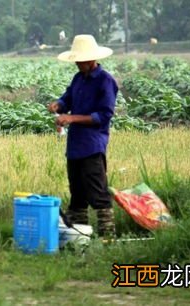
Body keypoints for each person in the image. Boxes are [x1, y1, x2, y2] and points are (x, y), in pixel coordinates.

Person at [48, 34, 118, 238]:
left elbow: (103, 115)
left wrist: (71, 118)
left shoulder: (106, 81)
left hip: (92, 145)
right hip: (75, 145)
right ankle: (79, 237)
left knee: (98, 194)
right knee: (77, 194)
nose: (78, 64)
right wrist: (58, 105)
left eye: (81, 60)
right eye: (77, 60)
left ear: (92, 59)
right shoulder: (79, 78)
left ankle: (107, 238)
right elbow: (67, 98)